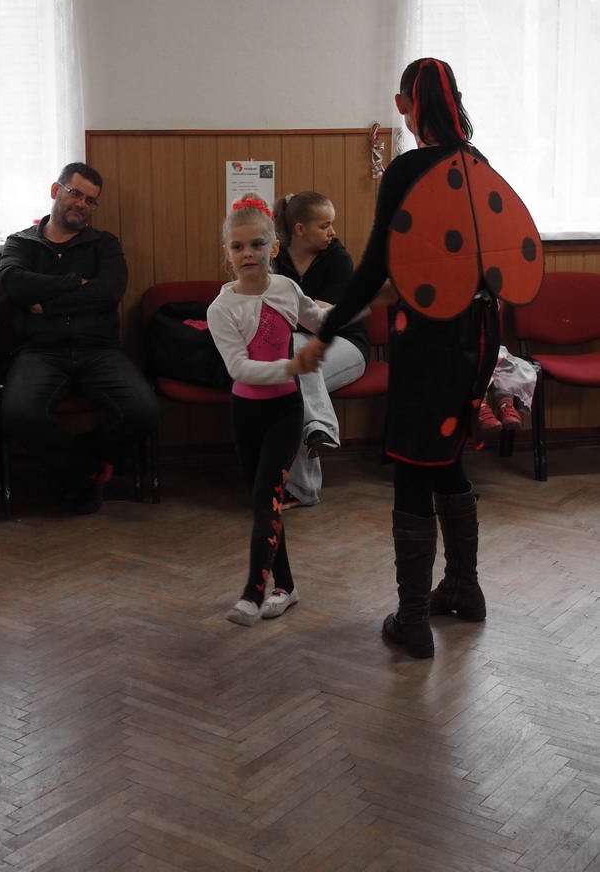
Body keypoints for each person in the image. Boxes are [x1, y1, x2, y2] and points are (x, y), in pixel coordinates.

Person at [298, 58, 541, 659]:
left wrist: (328, 328)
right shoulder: (478, 163)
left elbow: (374, 265)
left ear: (406, 104)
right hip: (481, 336)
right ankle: (463, 587)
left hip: (431, 342)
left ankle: (412, 621)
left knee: (412, 465)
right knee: (445, 454)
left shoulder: (408, 169)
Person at [0, 162, 160, 513]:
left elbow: (108, 292)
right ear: (56, 191)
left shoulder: (104, 244)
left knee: (144, 410)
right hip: (39, 351)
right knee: (17, 414)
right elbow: (14, 283)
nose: (82, 204)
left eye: (90, 200)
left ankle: (77, 467)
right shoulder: (21, 242)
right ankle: (85, 471)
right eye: (75, 194)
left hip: (98, 350)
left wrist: (47, 304)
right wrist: (75, 282)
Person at [207, 193, 328, 626]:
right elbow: (239, 368)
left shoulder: (286, 289)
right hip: (246, 413)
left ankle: (252, 592)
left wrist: (362, 303)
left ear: (274, 247)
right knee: (266, 502)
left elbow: (318, 319)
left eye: (257, 244)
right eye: (237, 246)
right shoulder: (221, 308)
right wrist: (293, 365)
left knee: (265, 498)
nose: (248, 253)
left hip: (285, 411)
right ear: (228, 253)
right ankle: (287, 586)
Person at [272, 191, 369, 508]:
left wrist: (297, 313)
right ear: (300, 229)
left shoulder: (339, 259)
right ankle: (318, 433)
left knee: (293, 372)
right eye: (324, 226)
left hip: (346, 345)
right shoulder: (277, 260)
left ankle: (301, 485)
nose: (332, 232)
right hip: (297, 349)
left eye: (332, 225)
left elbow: (325, 320)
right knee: (289, 382)